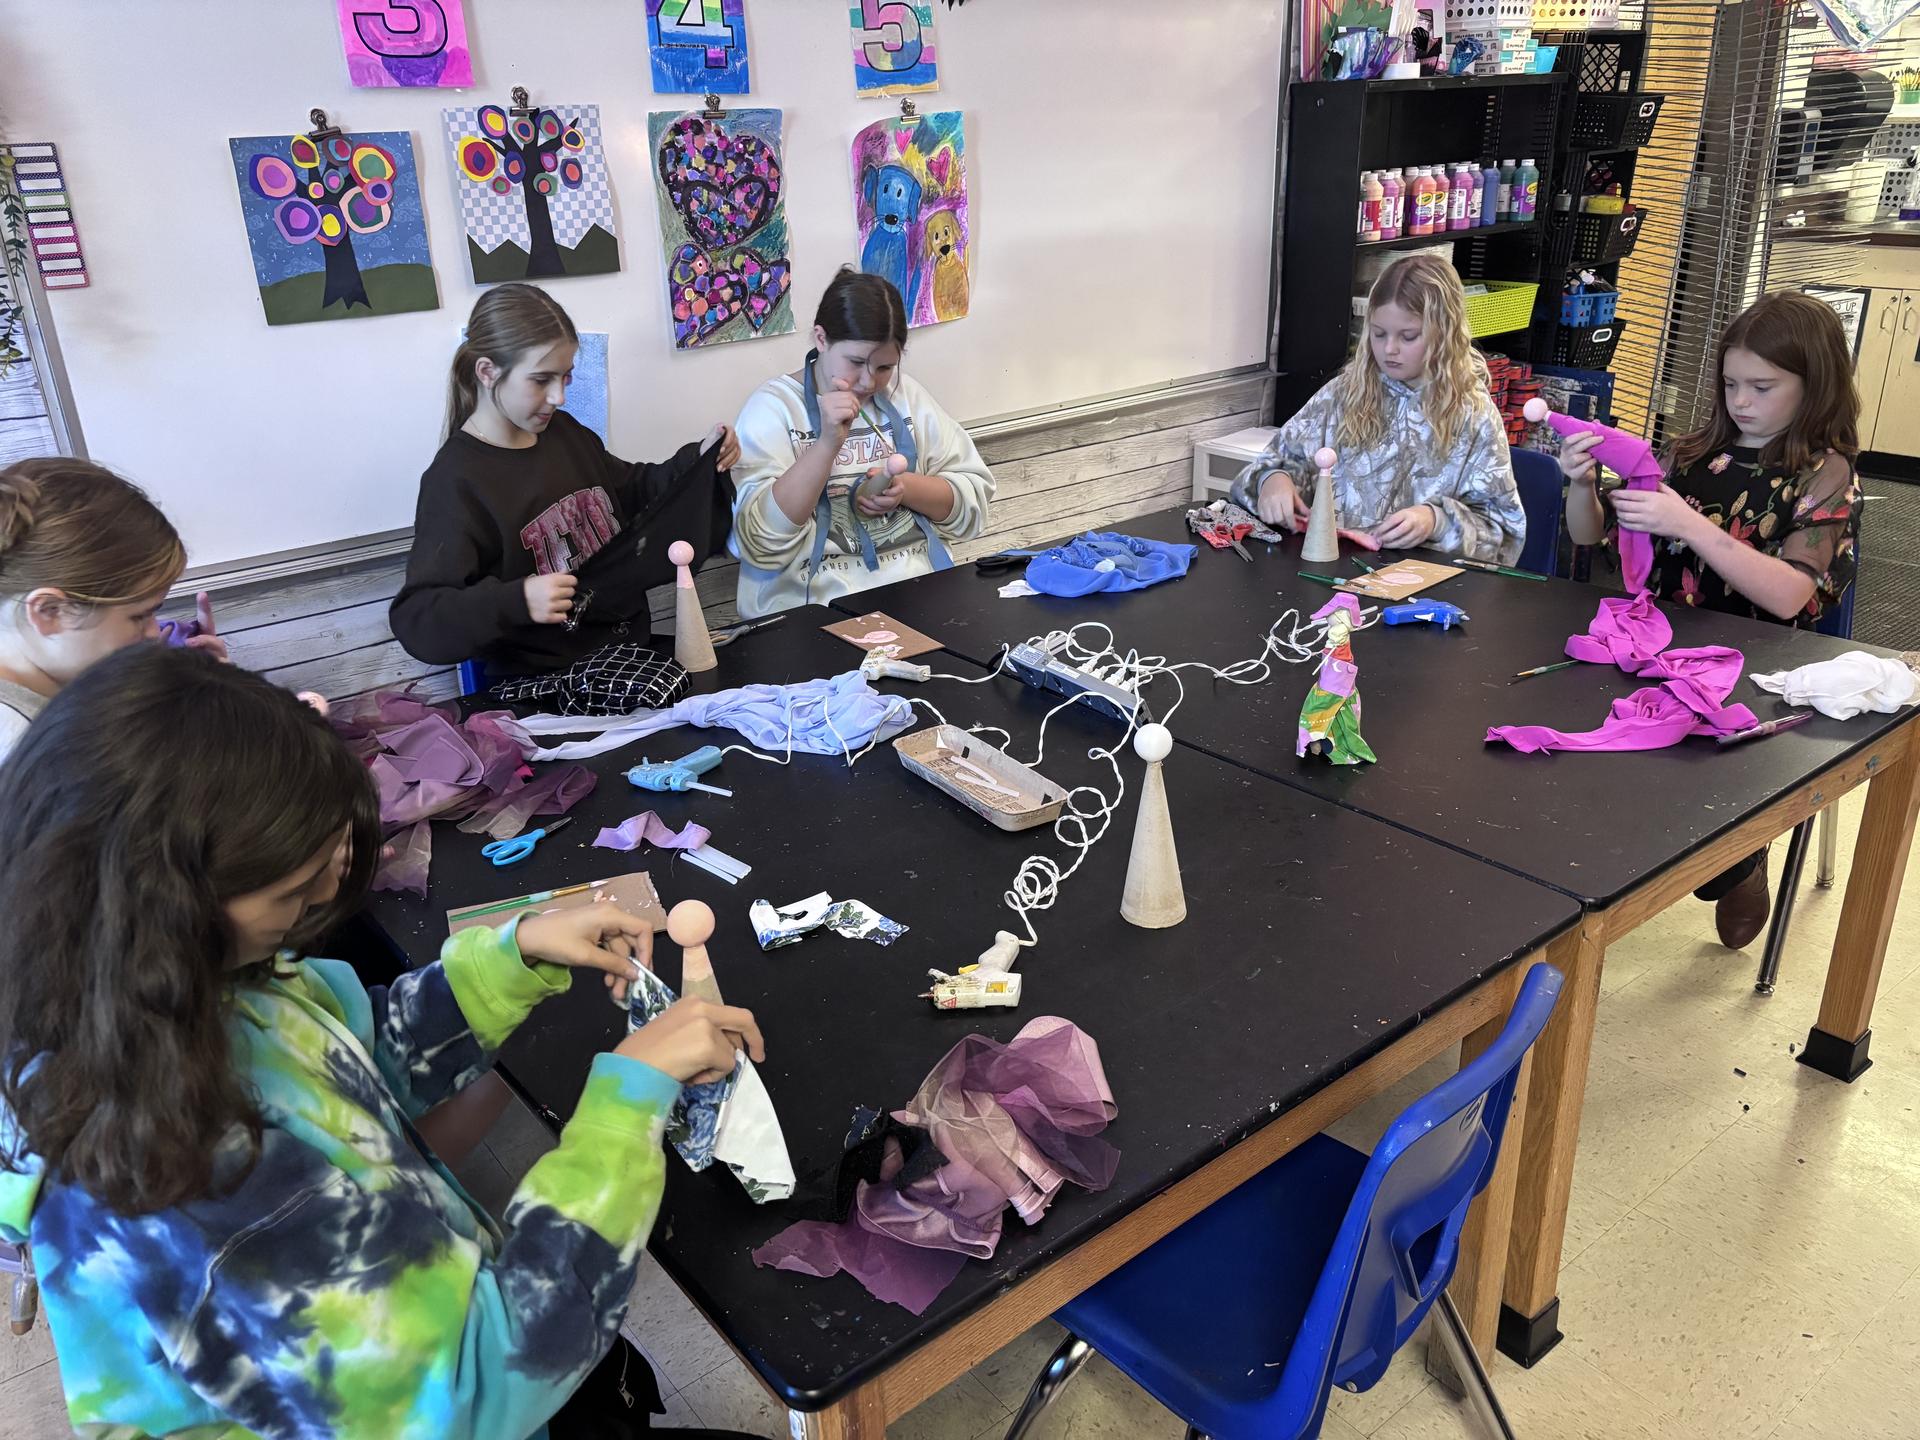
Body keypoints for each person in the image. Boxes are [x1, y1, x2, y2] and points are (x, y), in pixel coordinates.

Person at [0, 646, 766, 1438]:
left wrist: (516, 954)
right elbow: (469, 1391)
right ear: (162, 909)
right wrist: (620, 1109)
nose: (326, 896)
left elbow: (355, 1071)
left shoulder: (183, 985)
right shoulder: (180, 1168)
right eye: (294, 895)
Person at [1559, 289, 1863, 946]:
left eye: (1763, 385)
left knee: (1696, 795)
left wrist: (1689, 525)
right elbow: (1591, 539)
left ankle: (1741, 856)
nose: (1742, 402)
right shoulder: (1689, 454)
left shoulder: (1825, 474)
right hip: (1658, 649)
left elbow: (1789, 597)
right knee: (1581, 757)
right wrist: (1581, 485)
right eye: (1730, 384)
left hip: (1759, 670)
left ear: (1816, 387)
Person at [391, 283, 738, 678]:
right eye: (541, 380)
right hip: (542, 692)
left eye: (566, 377)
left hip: (626, 665)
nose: (558, 397)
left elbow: (633, 492)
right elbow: (418, 619)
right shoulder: (455, 481)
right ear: (487, 372)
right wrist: (518, 600)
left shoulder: (565, 433)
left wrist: (699, 458)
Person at [729, 267, 994, 617]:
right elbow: (760, 544)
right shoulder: (774, 408)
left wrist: (906, 488)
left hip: (916, 599)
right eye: (855, 362)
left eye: (885, 367)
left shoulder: (907, 397)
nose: (869, 381)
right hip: (811, 616)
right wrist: (826, 445)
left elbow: (972, 511)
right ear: (821, 339)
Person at [1231, 251, 1526, 563]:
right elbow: (1266, 469)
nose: (1389, 349)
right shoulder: (1344, 394)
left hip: (1423, 590)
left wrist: (1436, 521)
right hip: (1332, 571)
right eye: (1379, 333)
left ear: (1444, 334)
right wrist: (1273, 481)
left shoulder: (1472, 415)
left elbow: (1504, 536)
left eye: (1408, 336)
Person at [0, 457, 225, 762]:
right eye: (139, 616)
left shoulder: (53, 675)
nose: (155, 631)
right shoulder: (32, 751)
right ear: (49, 612)